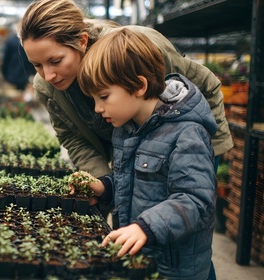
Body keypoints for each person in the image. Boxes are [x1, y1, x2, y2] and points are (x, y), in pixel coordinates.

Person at [18, 0, 233, 203]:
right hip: (128, 161)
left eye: (55, 61)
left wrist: (210, 150)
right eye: (36, 65)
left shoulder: (135, 51)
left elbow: (206, 84)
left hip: (183, 152)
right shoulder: (48, 88)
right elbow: (74, 138)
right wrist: (103, 183)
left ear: (82, 42)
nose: (48, 75)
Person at [74, 27, 217, 280]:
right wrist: (104, 187)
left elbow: (195, 200)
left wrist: (145, 227)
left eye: (104, 96)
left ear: (139, 86)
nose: (97, 108)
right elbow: (130, 185)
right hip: (140, 260)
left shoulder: (187, 133)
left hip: (175, 268)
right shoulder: (126, 130)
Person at [1, 30, 36, 96]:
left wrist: (4, 73)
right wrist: (32, 73)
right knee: (23, 95)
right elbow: (32, 59)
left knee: (13, 97)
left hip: (12, 76)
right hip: (25, 75)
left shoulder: (10, 42)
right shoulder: (29, 41)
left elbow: (6, 59)